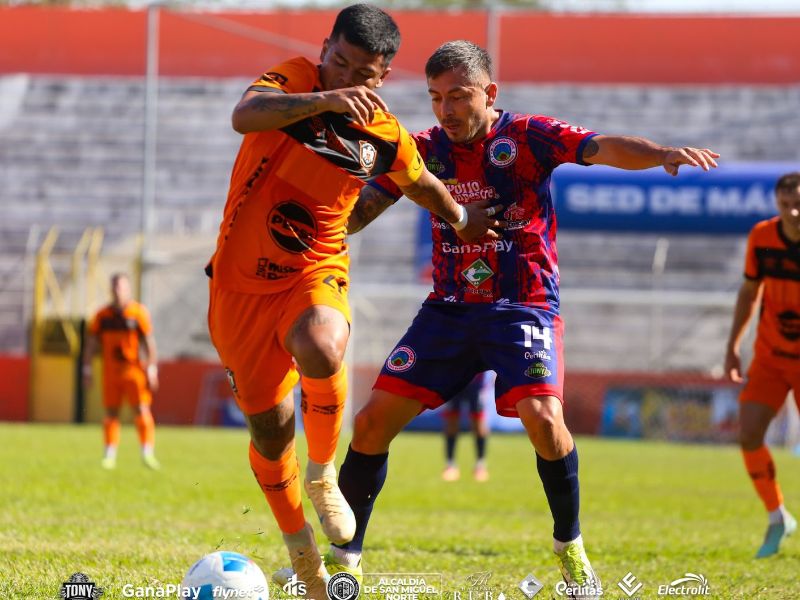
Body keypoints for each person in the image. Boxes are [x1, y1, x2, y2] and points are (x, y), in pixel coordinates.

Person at [320, 40, 720, 598]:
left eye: (458, 96)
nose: (446, 110)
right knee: (370, 424)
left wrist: (662, 154)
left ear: (490, 93)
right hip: (449, 309)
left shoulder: (528, 136)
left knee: (544, 420)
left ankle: (570, 547)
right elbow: (364, 207)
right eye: (436, 97)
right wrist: (315, 228)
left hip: (523, 305)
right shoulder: (421, 149)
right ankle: (344, 560)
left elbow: (601, 147)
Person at [205, 9, 497, 599]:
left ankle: (322, 473)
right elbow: (244, 115)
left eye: (361, 73)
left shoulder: (383, 132)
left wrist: (461, 218)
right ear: (324, 50)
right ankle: (300, 548)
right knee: (270, 433)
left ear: (382, 77)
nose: (345, 76)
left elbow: (421, 182)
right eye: (338, 62)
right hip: (238, 287)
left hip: (313, 269)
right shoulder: (294, 79)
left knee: (322, 342)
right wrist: (326, 99)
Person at [725, 172, 800, 558]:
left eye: (798, 203)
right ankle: (777, 517)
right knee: (750, 434)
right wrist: (733, 346)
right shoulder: (762, 236)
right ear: (777, 203)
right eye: (786, 203)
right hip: (771, 357)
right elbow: (750, 291)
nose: (793, 210)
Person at [83, 273, 160, 470]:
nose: (118, 291)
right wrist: (87, 368)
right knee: (111, 413)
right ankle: (109, 455)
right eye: (115, 287)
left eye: (121, 287)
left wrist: (152, 369)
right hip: (111, 372)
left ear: (128, 289)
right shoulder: (102, 316)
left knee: (141, 410)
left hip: (134, 371)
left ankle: (147, 453)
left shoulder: (138, 313)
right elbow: (91, 343)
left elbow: (149, 343)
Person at [441, 371, 494, 482]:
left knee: (478, 422)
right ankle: (450, 465)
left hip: (476, 383)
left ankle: (480, 465)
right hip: (453, 381)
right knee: (451, 421)